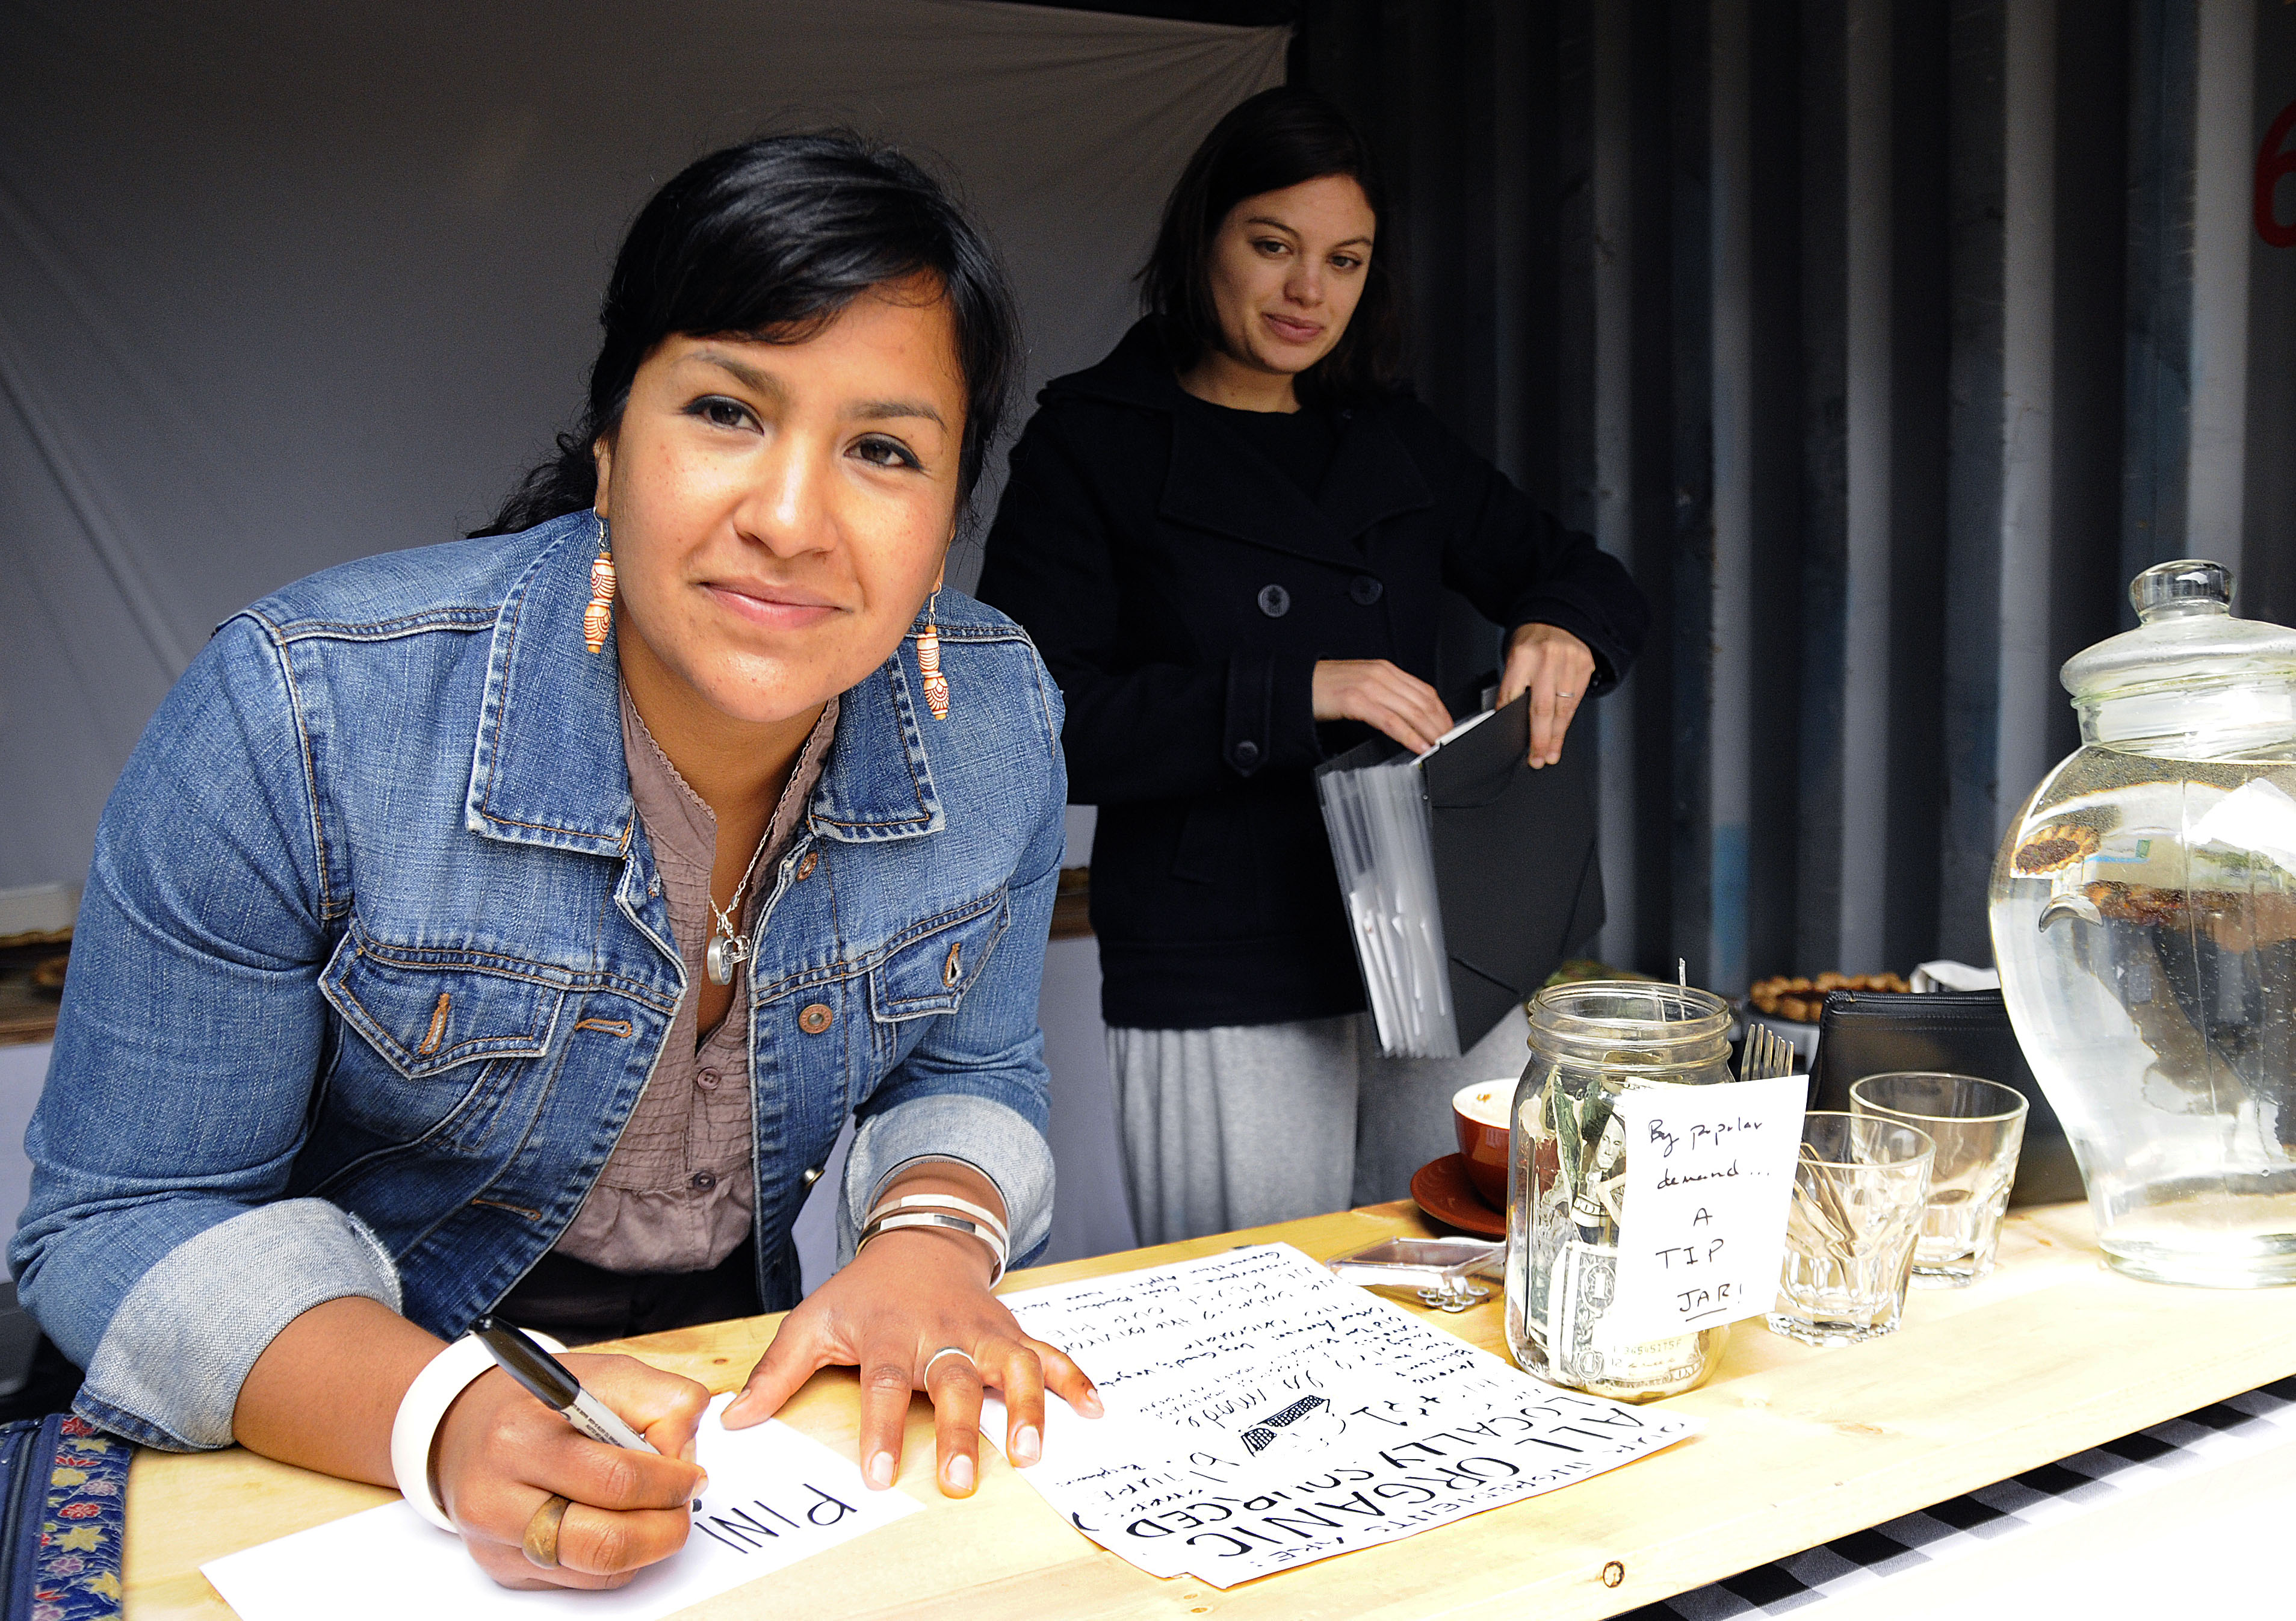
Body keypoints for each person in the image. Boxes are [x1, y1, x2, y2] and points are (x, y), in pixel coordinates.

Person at [10, 133, 1098, 1593]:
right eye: (725, 410)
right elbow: (122, 1223)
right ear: (610, 442)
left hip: (724, 1415)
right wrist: (444, 1417)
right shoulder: (299, 715)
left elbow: (977, 1067)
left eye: (884, 451)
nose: (789, 521)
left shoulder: (999, 719)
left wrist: (934, 1237)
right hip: (320, 1417)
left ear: (949, 517)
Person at [976, 88, 1647, 1247]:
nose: (1308, 292)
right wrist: (1296, 691)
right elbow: (1033, 724)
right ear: (1204, 239)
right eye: (1273, 245)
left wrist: (1562, 626)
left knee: (1465, 1273)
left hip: (1440, 940)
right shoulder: (1093, 440)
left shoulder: (1390, 435)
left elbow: (1583, 571)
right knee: (1260, 1305)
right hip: (1220, 951)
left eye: (1345, 261)